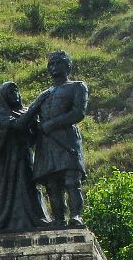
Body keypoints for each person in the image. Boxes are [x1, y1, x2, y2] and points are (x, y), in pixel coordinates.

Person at [24, 50, 89, 226]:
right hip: (46, 143)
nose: (53, 67)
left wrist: (52, 124)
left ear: (67, 65)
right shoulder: (44, 94)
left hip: (66, 140)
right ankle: (58, 219)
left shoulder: (77, 86)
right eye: (50, 64)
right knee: (52, 185)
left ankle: (76, 216)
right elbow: (30, 116)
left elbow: (78, 113)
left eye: (57, 63)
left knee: (71, 182)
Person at [0, 81, 47, 232]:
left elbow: (34, 134)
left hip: (24, 158)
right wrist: (36, 105)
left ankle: (36, 218)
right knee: (6, 193)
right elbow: (18, 125)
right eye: (11, 92)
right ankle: (2, 222)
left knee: (29, 188)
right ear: (4, 97)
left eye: (16, 92)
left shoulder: (24, 112)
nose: (15, 95)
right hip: (5, 163)